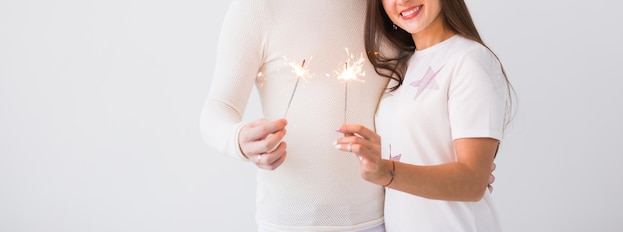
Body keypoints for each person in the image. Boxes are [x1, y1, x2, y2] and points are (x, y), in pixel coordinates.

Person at [200, 0, 497, 231]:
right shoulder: (259, 8)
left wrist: (468, 172)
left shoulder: (386, 13)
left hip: (380, 222)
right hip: (287, 223)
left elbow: (428, 106)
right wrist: (239, 140)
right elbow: (217, 108)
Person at [333, 0, 514, 231]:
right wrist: (376, 156)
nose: (402, 1)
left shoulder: (470, 60)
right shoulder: (402, 67)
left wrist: (386, 171)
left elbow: (473, 182)